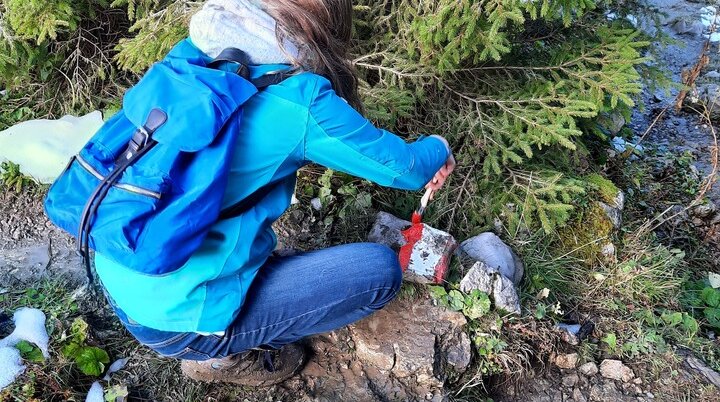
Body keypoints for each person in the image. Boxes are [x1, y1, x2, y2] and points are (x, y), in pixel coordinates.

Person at [96, 0, 456, 386]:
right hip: (181, 316)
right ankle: (220, 357)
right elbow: (406, 169)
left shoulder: (196, 51)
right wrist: (439, 146)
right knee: (380, 272)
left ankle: (222, 313)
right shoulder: (299, 99)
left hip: (120, 268)